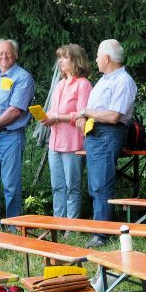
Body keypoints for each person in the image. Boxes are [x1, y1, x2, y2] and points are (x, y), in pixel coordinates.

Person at [80, 39, 137, 248]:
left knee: (102, 184)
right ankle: (98, 228)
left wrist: (85, 112)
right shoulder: (105, 79)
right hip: (95, 134)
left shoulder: (123, 81)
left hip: (108, 133)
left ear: (106, 58)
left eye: (97, 56)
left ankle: (102, 234)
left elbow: (113, 116)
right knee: (95, 185)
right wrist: (85, 118)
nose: (95, 59)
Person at [0, 39, 35, 228]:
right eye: (0, 53)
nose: (4, 56)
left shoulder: (23, 77)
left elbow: (15, 110)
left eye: (8, 52)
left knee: (11, 186)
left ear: (16, 54)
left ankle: (13, 226)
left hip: (11, 137)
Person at [38, 44, 92, 225]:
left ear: (76, 60)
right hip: (55, 142)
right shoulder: (60, 84)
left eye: (65, 57)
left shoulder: (84, 84)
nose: (60, 61)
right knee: (57, 187)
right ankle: (58, 223)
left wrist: (57, 117)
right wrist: (46, 118)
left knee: (72, 187)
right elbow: (54, 111)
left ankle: (71, 226)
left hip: (73, 142)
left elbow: (81, 114)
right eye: (59, 57)